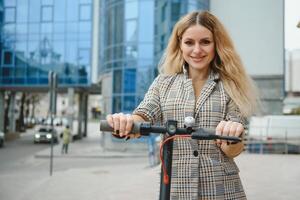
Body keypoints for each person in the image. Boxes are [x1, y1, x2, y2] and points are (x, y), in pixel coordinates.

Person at [106, 11, 258, 200]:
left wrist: (232, 134)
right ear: (179, 44)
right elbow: (143, 116)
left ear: (216, 44)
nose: (197, 50)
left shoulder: (231, 85)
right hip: (176, 190)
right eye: (189, 42)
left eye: (205, 42)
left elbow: (233, 150)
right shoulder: (164, 83)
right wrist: (125, 122)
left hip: (223, 191)